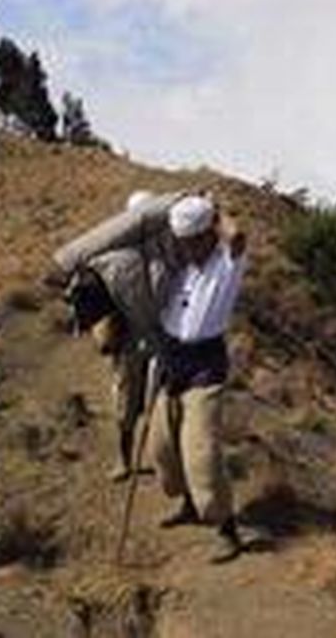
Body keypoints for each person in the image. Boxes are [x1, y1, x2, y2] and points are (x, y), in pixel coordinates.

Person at [145, 193, 247, 563]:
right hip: (171, 359)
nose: (184, 247)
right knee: (163, 445)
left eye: (191, 240)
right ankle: (188, 504)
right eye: (181, 241)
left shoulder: (226, 263)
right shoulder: (180, 266)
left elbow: (237, 236)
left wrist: (215, 209)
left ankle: (226, 529)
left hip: (205, 364)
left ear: (206, 235)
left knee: (201, 451)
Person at [106, 191, 156, 482]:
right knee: (126, 403)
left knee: (158, 403)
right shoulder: (118, 256)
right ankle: (123, 460)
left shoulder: (166, 251)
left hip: (160, 339)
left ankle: (158, 458)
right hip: (128, 340)